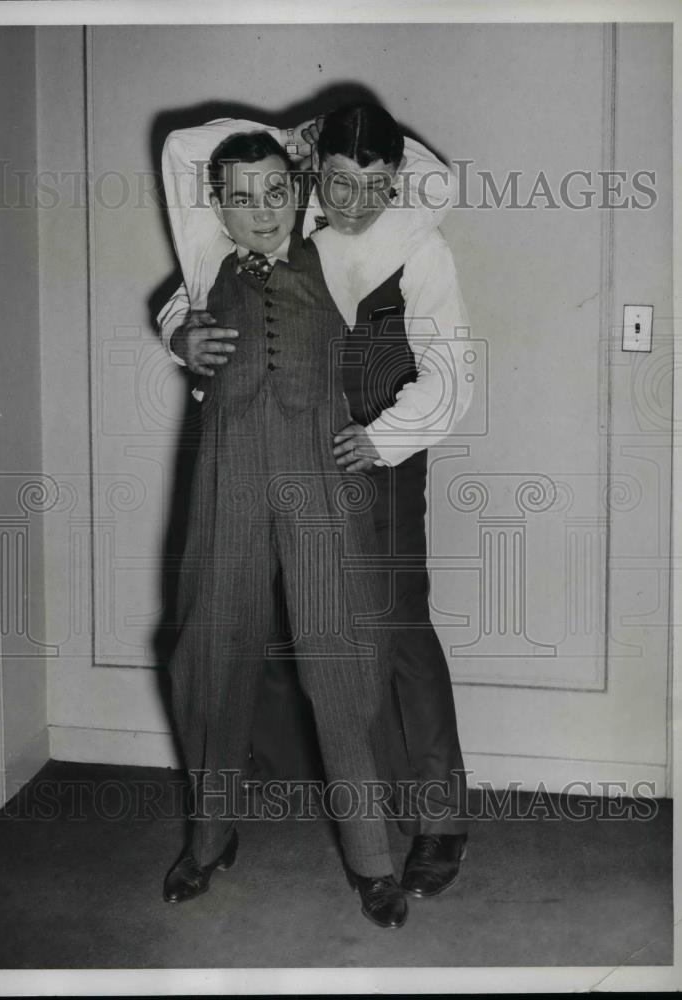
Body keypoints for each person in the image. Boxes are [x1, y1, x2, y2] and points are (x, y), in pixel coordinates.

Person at [159, 103, 474, 899]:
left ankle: (397, 844)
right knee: (210, 649)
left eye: (278, 190)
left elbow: (433, 190)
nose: (262, 209)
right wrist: (178, 332)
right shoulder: (227, 244)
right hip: (233, 472)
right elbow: (186, 159)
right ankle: (209, 837)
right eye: (242, 196)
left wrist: (385, 437)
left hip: (346, 460)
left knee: (363, 649)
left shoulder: (360, 245)